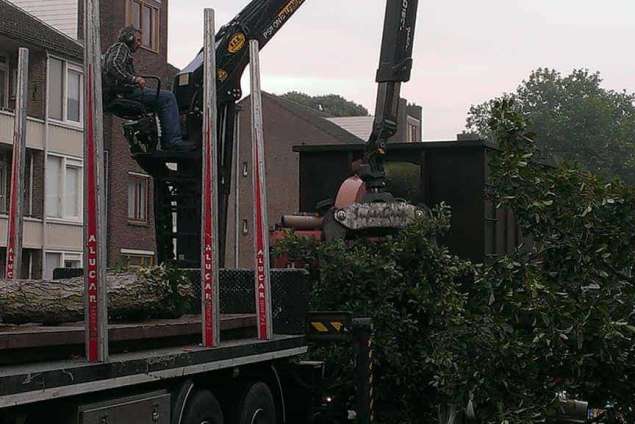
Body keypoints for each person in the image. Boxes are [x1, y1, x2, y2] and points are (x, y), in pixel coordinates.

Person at [103, 26, 194, 152]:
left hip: (121, 93)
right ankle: (173, 141)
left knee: (159, 100)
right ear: (129, 38)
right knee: (168, 98)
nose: (140, 44)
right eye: (138, 40)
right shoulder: (121, 48)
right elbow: (113, 65)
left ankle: (164, 136)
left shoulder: (115, 50)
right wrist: (134, 79)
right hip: (126, 93)